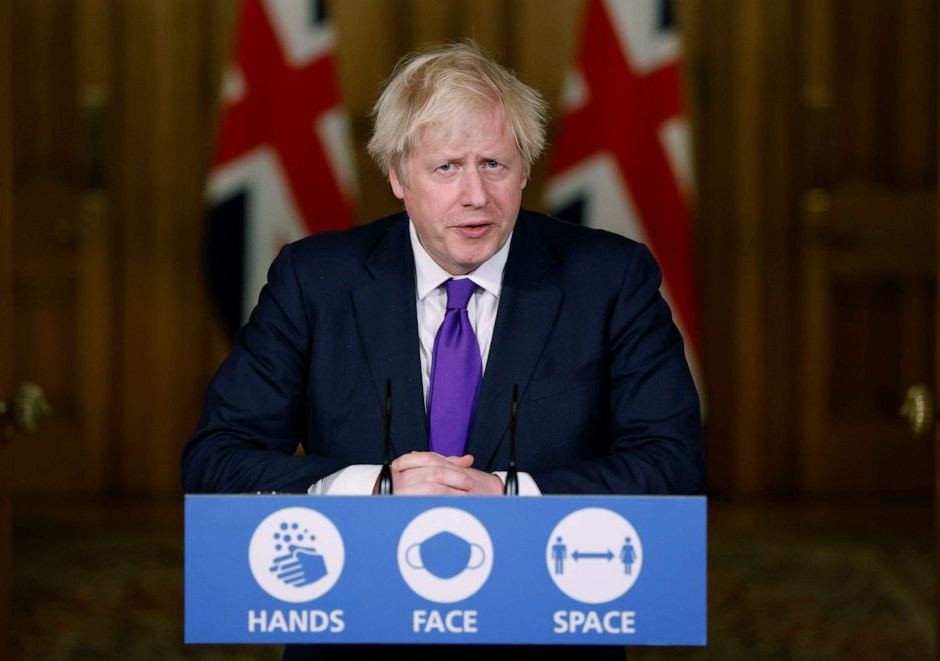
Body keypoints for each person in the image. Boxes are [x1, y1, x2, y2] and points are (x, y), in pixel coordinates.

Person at [183, 39, 703, 661]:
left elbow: (673, 467)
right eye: (447, 167)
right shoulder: (314, 281)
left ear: (525, 170)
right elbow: (216, 462)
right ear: (399, 176)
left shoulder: (610, 280)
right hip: (359, 635)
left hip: (545, 634)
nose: (476, 196)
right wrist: (371, 489)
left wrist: (513, 497)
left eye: (494, 164)